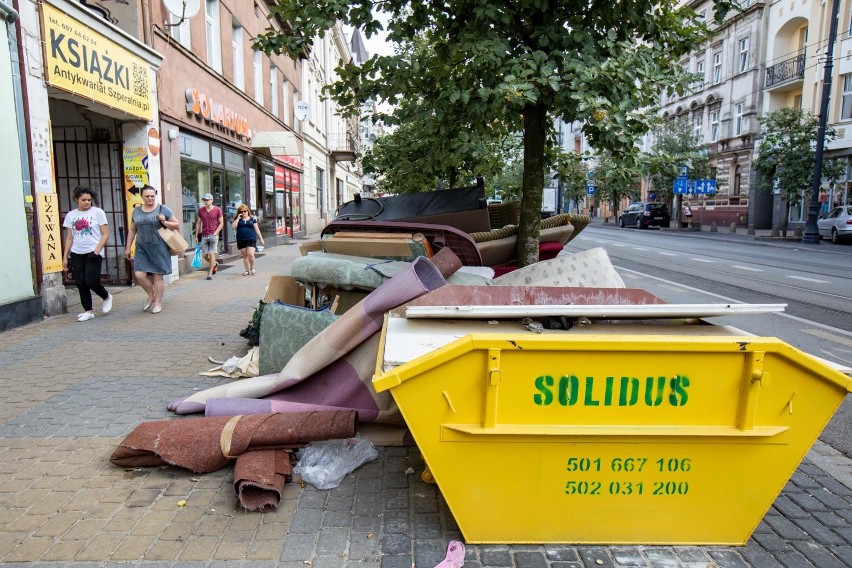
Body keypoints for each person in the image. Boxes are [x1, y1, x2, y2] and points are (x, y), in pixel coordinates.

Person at [124, 185, 180, 314]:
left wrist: (164, 221)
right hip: (141, 247)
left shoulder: (162, 209)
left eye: (152, 196)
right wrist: (128, 247)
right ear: (142, 197)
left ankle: (158, 303)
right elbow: (132, 230)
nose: (150, 198)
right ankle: (151, 295)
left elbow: (176, 225)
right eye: (147, 196)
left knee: (157, 276)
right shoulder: (136, 211)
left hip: (158, 247)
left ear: (155, 195)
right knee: (139, 274)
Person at [62, 187, 112, 322]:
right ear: (77, 199)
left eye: (89, 200)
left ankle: (106, 296)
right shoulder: (71, 215)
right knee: (80, 282)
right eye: (83, 200)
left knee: (91, 281)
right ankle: (88, 311)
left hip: (93, 251)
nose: (87, 202)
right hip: (77, 252)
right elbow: (69, 238)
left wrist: (97, 250)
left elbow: (106, 233)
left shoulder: (98, 212)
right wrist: (65, 257)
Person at [195, 193, 223, 280]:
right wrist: (196, 235)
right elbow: (198, 223)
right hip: (204, 235)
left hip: (213, 235)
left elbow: (222, 223)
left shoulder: (217, 210)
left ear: (212, 200)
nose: (206, 202)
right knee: (205, 255)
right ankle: (214, 264)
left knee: (212, 253)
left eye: (207, 200)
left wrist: (216, 232)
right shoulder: (201, 210)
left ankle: (210, 273)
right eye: (204, 200)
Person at [231, 204, 265, 276]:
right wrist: (237, 218)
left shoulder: (252, 219)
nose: (243, 213)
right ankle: (247, 270)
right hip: (241, 239)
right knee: (245, 256)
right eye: (241, 211)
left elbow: (257, 229)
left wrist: (261, 238)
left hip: (251, 238)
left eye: (245, 211)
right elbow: (233, 226)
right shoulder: (238, 219)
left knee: (250, 254)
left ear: (247, 211)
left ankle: (252, 267)